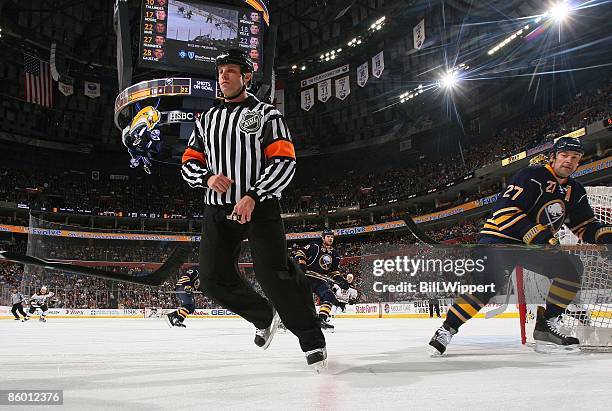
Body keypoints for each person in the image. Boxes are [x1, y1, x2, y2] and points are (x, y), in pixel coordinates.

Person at [180, 48, 326, 370]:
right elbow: (189, 162)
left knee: (275, 274)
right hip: (218, 210)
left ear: (246, 77)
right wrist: (207, 177)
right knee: (211, 278)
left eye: (231, 70)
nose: (224, 76)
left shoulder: (267, 115)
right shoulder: (205, 120)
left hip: (259, 207)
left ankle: (312, 340)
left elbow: (284, 159)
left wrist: (254, 195)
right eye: (220, 71)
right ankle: (264, 315)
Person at [428, 137, 612, 355]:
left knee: (570, 269)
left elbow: (585, 225)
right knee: (487, 287)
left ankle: (547, 325)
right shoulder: (532, 176)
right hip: (500, 240)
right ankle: (447, 329)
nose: (569, 161)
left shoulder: (576, 190)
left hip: (532, 246)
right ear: (553, 157)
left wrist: (605, 237)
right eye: (564, 156)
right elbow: (505, 212)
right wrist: (541, 236)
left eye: (575, 158)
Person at [292, 229, 350, 331]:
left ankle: (321, 320)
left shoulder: (335, 254)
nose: (330, 238)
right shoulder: (315, 245)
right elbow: (300, 252)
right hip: (306, 278)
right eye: (328, 237)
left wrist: (341, 281)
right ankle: (284, 321)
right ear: (323, 238)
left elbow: (333, 272)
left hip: (320, 280)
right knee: (299, 301)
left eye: (332, 237)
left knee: (329, 296)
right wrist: (302, 264)